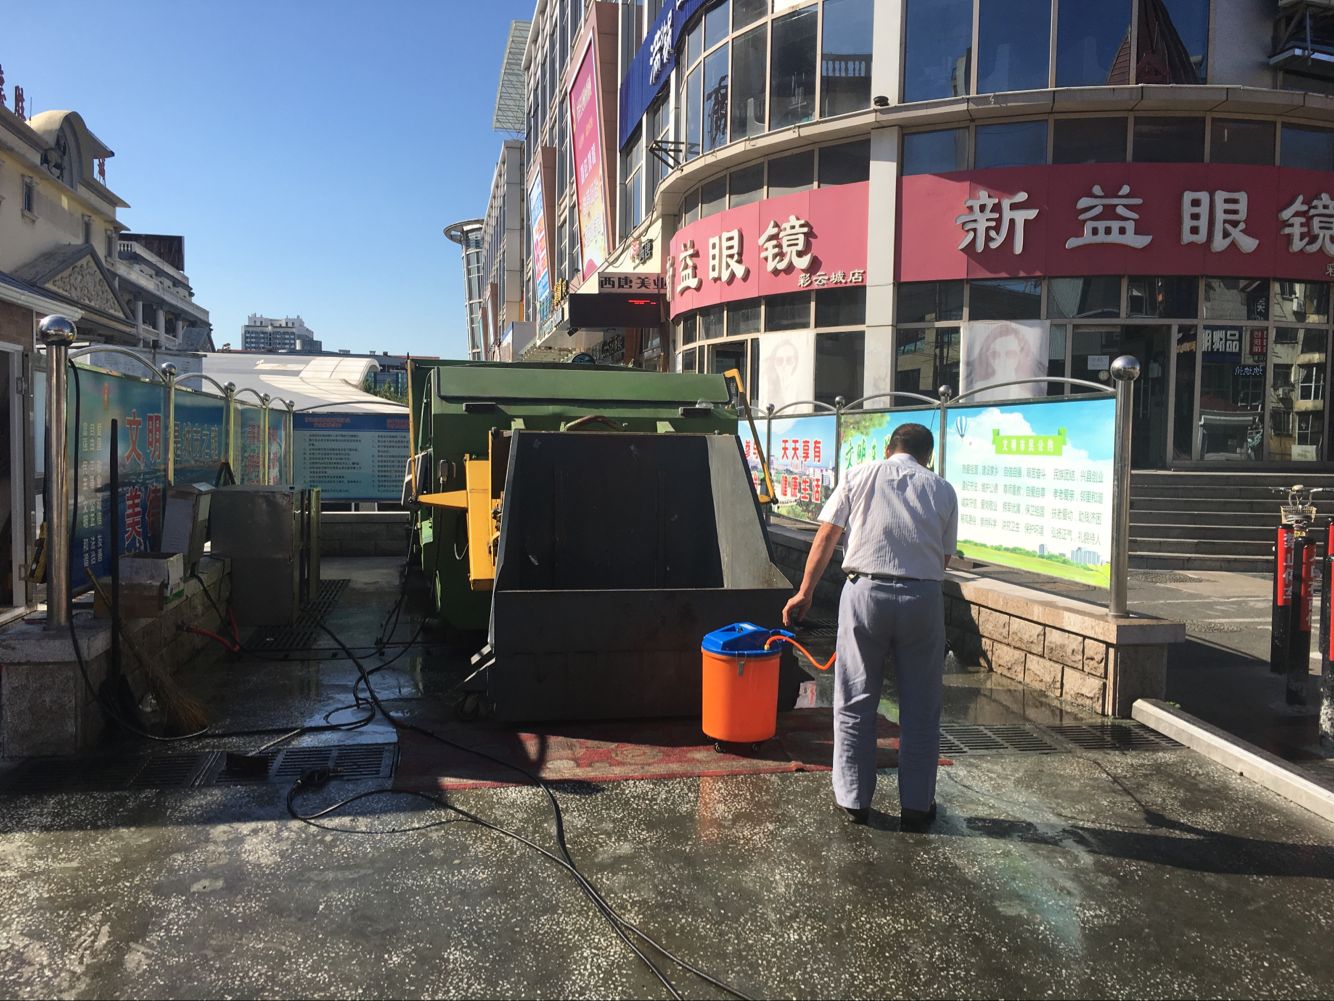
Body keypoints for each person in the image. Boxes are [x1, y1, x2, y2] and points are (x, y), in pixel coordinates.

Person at [782, 423, 958, 832]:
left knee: (856, 699)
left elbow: (827, 535)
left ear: (887, 448)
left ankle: (854, 800)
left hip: (865, 594)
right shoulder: (943, 489)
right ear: (928, 456)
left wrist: (805, 593)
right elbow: (943, 558)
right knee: (921, 707)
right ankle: (917, 805)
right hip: (922, 599)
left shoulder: (858, 475)